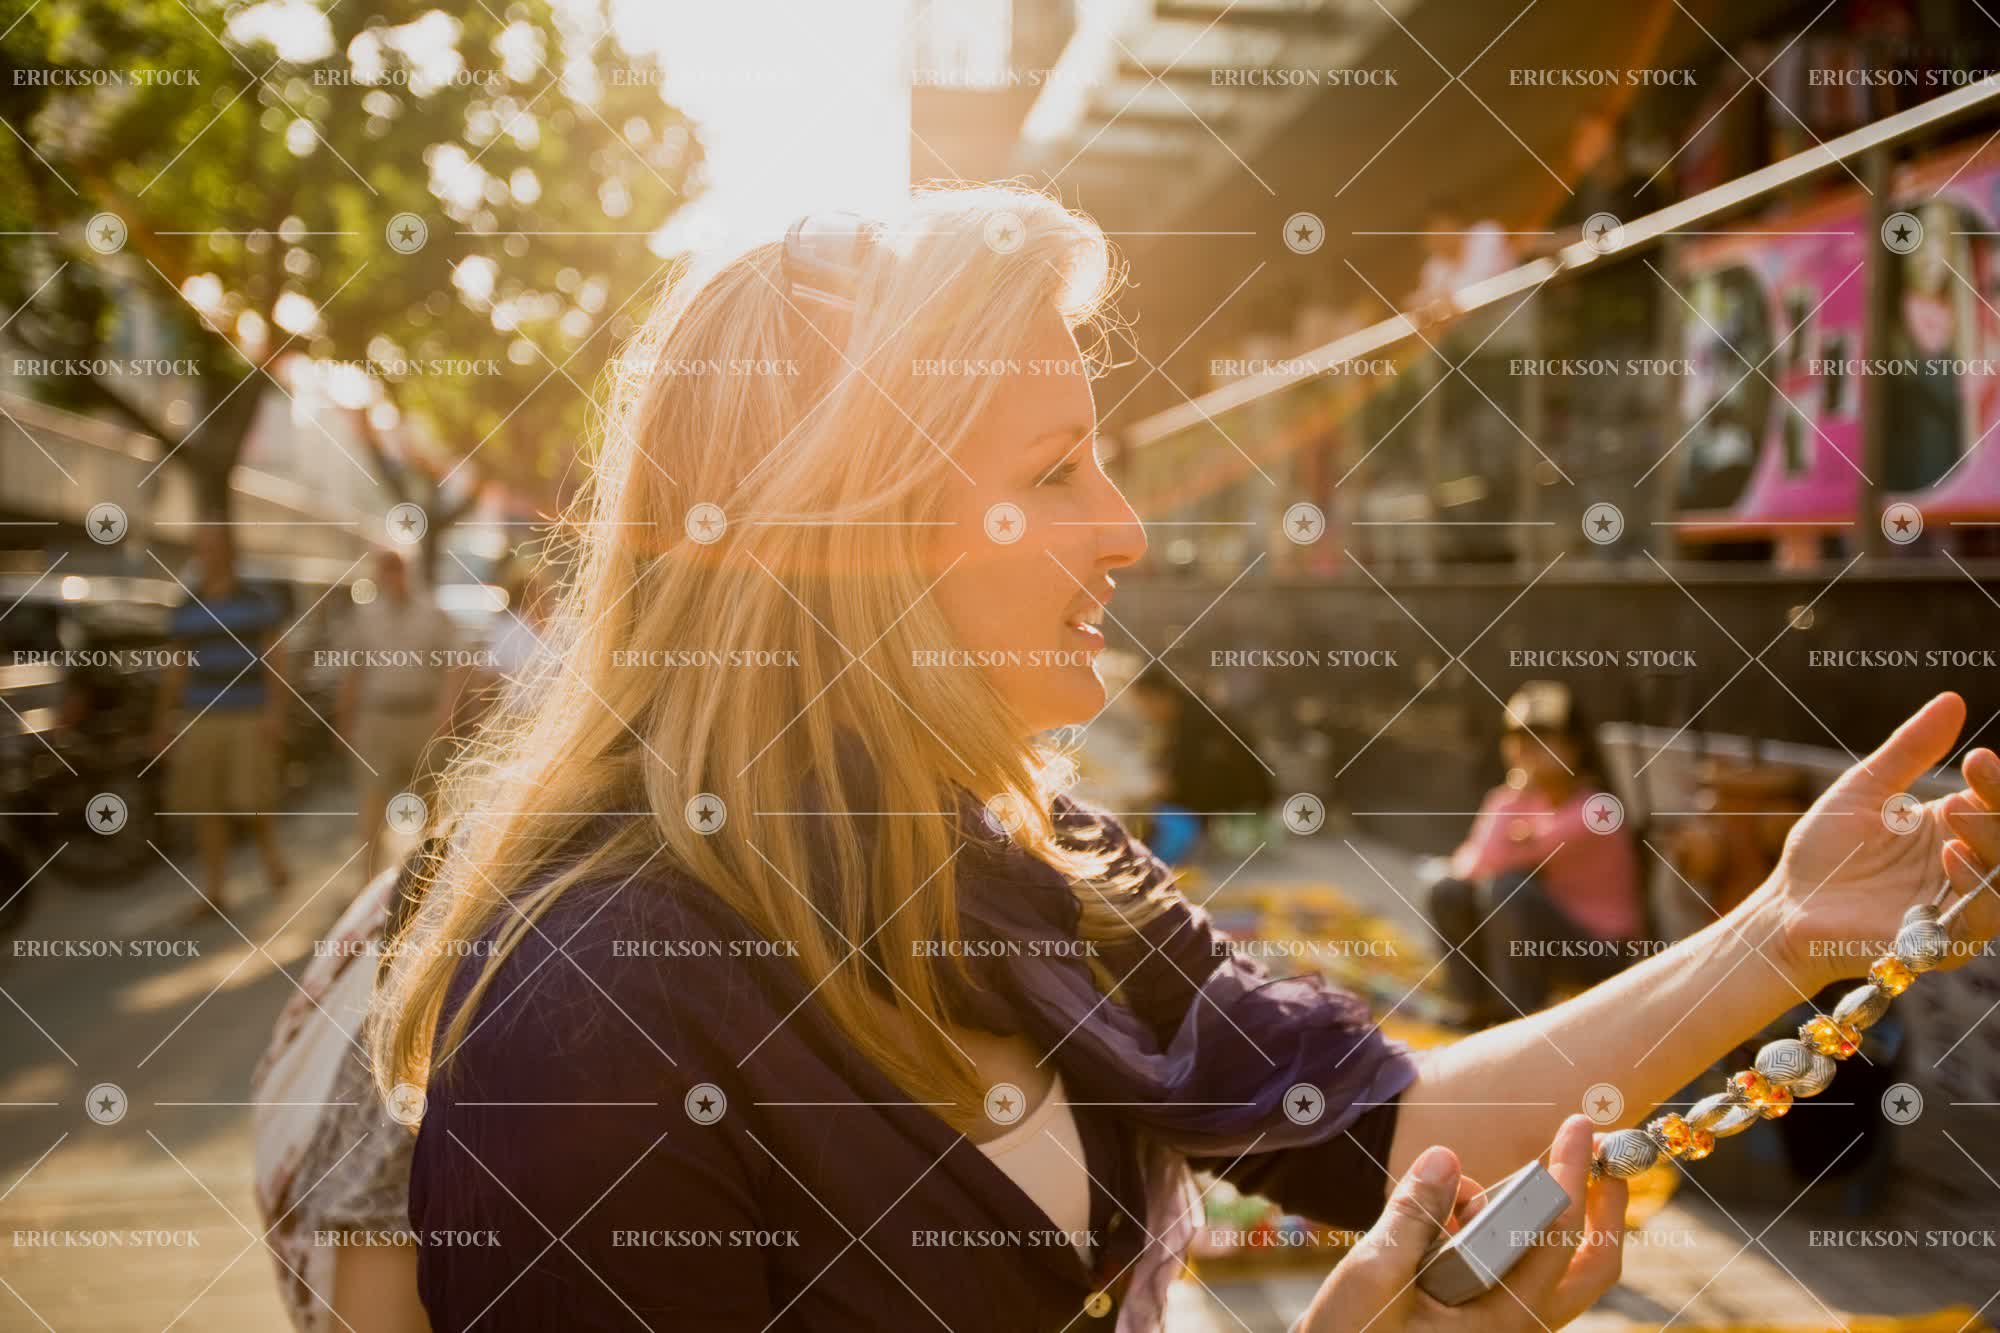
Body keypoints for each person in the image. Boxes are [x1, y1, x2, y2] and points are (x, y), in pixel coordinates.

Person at [368, 187, 2000, 1332]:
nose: (1128, 528)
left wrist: (1782, 931)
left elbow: (1384, 1124)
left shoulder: (1031, 856)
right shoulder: (591, 1012)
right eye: (1056, 471)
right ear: (842, 542)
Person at [1426, 682, 1645, 1029]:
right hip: (1549, 937)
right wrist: (1511, 800)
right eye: (1516, 737)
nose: (1524, 749)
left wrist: (1512, 798)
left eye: (1541, 738)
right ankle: (1476, 1008)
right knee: (1447, 889)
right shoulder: (1524, 800)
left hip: (1602, 953)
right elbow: (1467, 868)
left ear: (1574, 747)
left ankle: (1520, 1019)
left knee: (1507, 889)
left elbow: (1488, 862)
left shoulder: (1596, 811)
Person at [151, 525, 291, 912]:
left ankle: (272, 862)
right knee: (206, 803)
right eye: (202, 548)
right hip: (201, 717)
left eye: (215, 547)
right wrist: (163, 719)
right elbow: (177, 665)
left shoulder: (256, 600)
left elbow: (276, 658)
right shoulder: (187, 605)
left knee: (254, 798)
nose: (208, 555)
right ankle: (215, 890)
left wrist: (276, 711)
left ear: (230, 552)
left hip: (249, 714)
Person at [336, 550, 467, 886]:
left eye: (398, 569)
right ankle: (367, 882)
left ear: (408, 572)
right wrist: (345, 721)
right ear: (378, 575)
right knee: (372, 801)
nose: (393, 576)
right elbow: (352, 672)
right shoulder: (364, 617)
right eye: (387, 570)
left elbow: (456, 663)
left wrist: (447, 712)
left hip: (422, 717)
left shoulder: (432, 614)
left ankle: (434, 881)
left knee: (431, 801)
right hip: (378, 718)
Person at [1128, 663, 1275, 865]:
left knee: (1160, 815)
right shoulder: (1192, 713)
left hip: (1240, 805)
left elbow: (1187, 781)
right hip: (1234, 798)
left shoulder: (1196, 723)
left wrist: (1153, 794)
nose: (1146, 714)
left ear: (1160, 696)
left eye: (1146, 705)